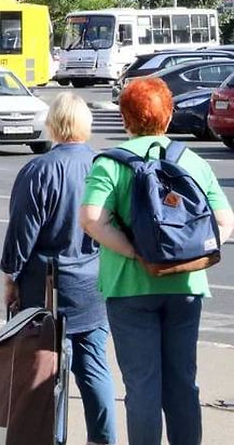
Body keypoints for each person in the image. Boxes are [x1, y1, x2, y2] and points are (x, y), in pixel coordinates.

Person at [80, 77, 234, 445]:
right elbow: (225, 221)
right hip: (187, 286)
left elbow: (90, 218)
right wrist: (191, 256)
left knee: (142, 386)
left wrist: (136, 253)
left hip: (129, 287)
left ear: (125, 119)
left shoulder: (112, 164)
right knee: (183, 382)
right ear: (168, 117)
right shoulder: (193, 161)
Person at [0, 93, 116, 445]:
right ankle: (103, 438)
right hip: (95, 283)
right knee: (94, 368)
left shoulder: (39, 170)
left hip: (47, 287)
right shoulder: (102, 165)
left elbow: (22, 232)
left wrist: (10, 275)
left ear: (52, 124)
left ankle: (54, 438)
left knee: (47, 373)